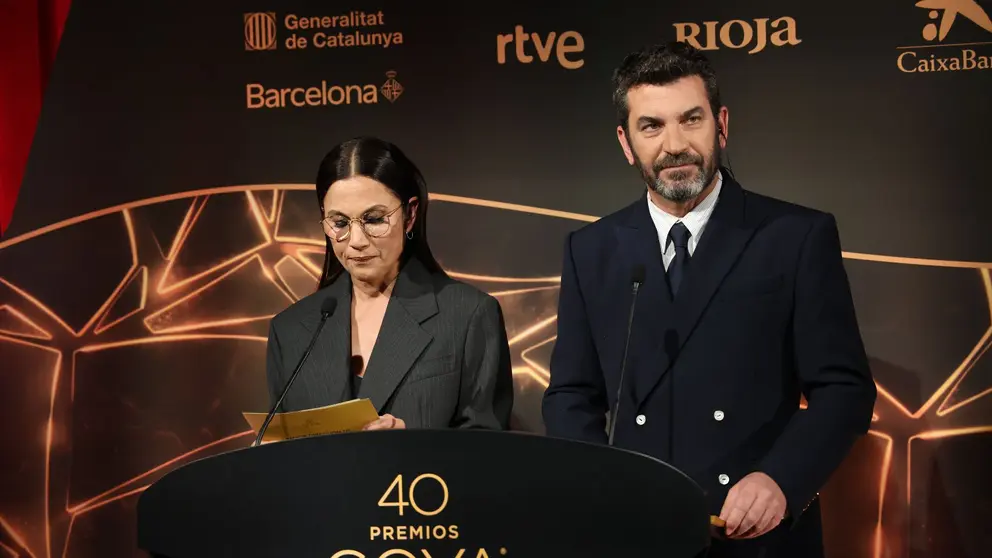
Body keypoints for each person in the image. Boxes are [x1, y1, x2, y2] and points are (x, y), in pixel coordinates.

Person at [541, 42, 876, 557]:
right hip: (637, 529)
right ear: (626, 142)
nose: (674, 145)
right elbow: (570, 394)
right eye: (651, 126)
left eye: (690, 119)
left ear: (721, 125)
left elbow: (843, 388)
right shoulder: (591, 250)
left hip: (756, 533)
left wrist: (781, 480)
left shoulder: (794, 236)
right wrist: (600, 484)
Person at [265, 136, 514, 431]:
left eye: (373, 219)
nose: (356, 241)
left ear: (410, 215)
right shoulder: (290, 330)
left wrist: (411, 445)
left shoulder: (468, 315)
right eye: (340, 223)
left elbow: (487, 448)